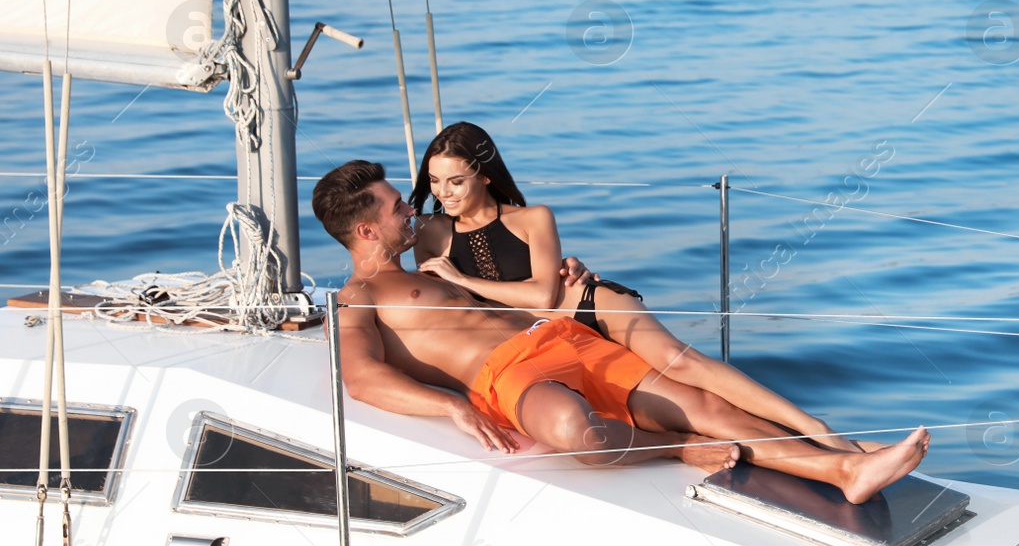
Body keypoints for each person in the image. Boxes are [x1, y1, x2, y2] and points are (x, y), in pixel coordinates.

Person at [313, 160, 928, 504]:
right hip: (508, 375)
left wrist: (571, 272)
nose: (411, 208)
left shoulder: (430, 250)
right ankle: (676, 446)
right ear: (365, 231)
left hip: (560, 337)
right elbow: (362, 378)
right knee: (577, 435)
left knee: (706, 403)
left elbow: (509, 252)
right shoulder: (358, 297)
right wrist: (450, 406)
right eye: (396, 206)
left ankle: (844, 468)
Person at [407, 121, 874, 454]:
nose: (444, 192)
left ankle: (816, 428)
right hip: (548, 338)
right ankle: (814, 448)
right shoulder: (430, 232)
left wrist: (461, 278)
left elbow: (542, 296)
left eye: (457, 181)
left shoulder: (533, 217)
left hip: (593, 306)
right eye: (434, 181)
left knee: (688, 365)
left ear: (485, 176)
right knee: (691, 404)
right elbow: (451, 308)